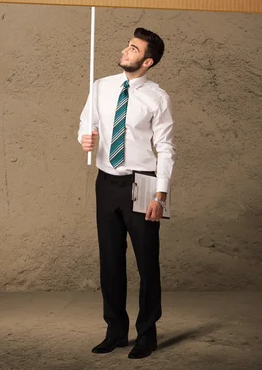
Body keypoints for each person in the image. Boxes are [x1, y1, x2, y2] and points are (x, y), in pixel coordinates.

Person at [77, 27, 176, 359]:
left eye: (133, 49)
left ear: (147, 61)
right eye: (127, 45)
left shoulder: (157, 98)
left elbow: (165, 148)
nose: (125, 50)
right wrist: (85, 137)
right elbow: (85, 123)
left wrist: (160, 196)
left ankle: (147, 333)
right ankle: (115, 330)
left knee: (147, 262)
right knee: (110, 260)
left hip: (142, 181)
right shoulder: (101, 86)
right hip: (106, 181)